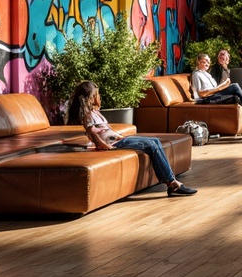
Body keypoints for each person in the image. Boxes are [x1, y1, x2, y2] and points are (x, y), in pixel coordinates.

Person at [66, 81, 197, 196]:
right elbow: (93, 133)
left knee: (155, 141)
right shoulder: (87, 115)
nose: (99, 97)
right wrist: (102, 145)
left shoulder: (95, 112)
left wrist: (120, 136)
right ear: (91, 97)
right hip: (113, 144)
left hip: (117, 140)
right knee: (151, 145)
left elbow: (107, 129)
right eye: (97, 94)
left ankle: (171, 181)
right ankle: (172, 183)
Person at [191, 53, 242, 125]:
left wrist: (224, 85)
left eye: (208, 62)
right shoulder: (197, 75)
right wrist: (219, 89)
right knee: (235, 86)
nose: (208, 64)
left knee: (236, 96)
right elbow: (201, 94)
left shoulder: (207, 75)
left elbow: (215, 88)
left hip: (214, 96)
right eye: (205, 61)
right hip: (206, 100)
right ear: (199, 62)